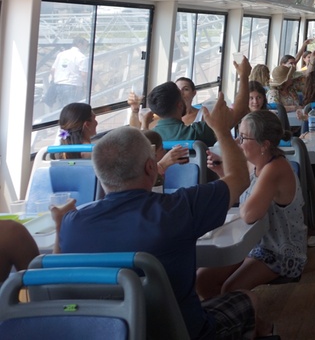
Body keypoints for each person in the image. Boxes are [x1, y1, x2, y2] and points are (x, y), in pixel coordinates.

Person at [51, 94, 272, 339]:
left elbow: (58, 281)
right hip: (181, 331)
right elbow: (239, 179)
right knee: (248, 299)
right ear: (150, 167)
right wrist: (221, 129)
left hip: (109, 331)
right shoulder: (179, 208)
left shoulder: (72, 224)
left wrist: (60, 226)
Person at [197, 110, 307, 297]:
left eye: (243, 137)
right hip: (255, 245)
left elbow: (248, 214)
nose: (238, 142)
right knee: (202, 280)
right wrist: (222, 172)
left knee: (230, 290)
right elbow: (240, 195)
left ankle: (260, 326)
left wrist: (240, 200)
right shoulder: (254, 163)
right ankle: (228, 322)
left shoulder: (275, 169)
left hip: (281, 253)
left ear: (264, 144)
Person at [148, 57, 251, 147]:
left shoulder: (150, 138)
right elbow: (240, 111)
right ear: (180, 105)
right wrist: (243, 76)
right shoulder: (197, 133)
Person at [48, 37, 88, 107]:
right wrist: (86, 85)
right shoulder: (81, 57)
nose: (86, 48)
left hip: (59, 84)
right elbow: (83, 74)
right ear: (80, 45)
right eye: (86, 45)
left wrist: (53, 81)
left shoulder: (61, 54)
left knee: (61, 109)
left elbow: (53, 70)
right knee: (72, 109)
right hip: (73, 85)